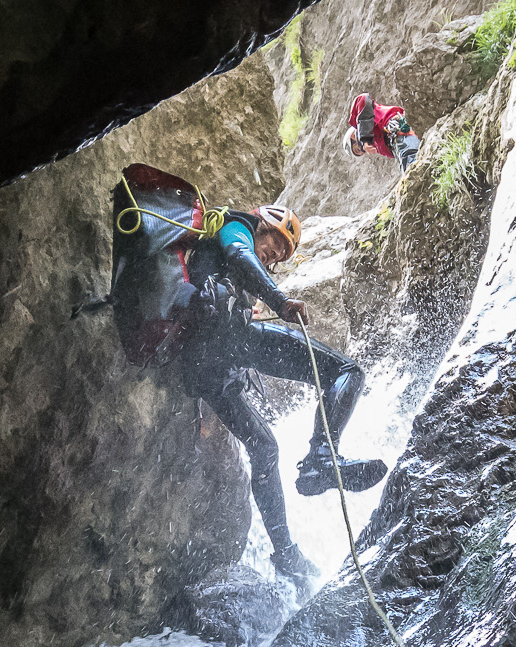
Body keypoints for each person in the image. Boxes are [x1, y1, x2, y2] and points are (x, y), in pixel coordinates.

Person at [107, 164, 387, 589]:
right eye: (277, 242)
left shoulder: (236, 256)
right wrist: (279, 299)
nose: (277, 254)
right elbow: (240, 256)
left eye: (283, 255)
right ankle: (320, 456)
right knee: (346, 371)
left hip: (206, 369)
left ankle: (286, 554)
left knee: (265, 447)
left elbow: (237, 270)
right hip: (225, 339)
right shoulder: (237, 226)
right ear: (263, 223)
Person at [346, 93, 421, 171]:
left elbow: (362, 99)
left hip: (397, 128)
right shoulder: (379, 147)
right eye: (362, 153)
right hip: (404, 137)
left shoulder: (358, 120)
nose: (363, 150)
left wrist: (364, 138)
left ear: (353, 136)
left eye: (358, 149)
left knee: (413, 165)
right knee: (410, 167)